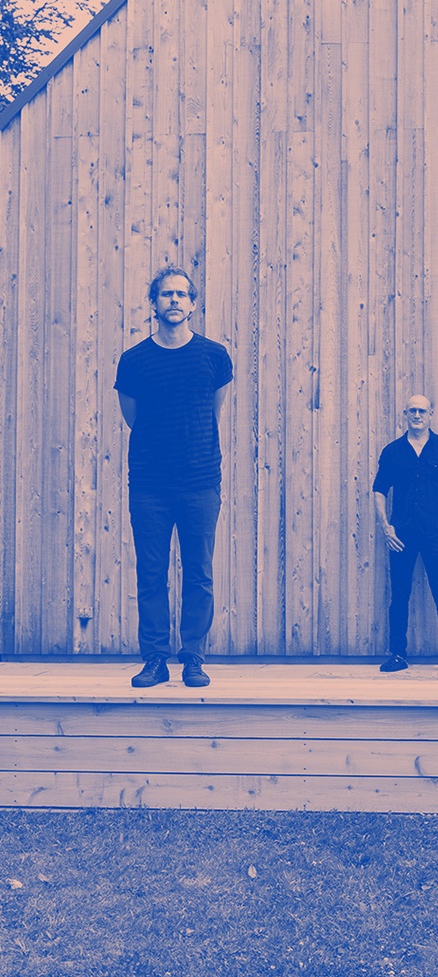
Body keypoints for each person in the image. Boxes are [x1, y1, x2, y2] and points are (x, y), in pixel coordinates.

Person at [114, 266, 233, 689]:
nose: (175, 301)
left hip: (200, 481)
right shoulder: (134, 361)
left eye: (182, 295)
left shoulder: (214, 356)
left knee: (199, 571)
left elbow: (211, 411)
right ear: (154, 303)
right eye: (166, 295)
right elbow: (133, 418)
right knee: (152, 572)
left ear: (193, 304)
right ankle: (154, 660)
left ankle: (194, 658)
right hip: (149, 485)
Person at [374, 395, 438, 673]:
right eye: (412, 410)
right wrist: (385, 525)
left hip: (437, 535)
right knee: (399, 595)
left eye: (422, 410)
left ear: (431, 414)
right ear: (405, 414)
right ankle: (397, 655)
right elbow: (379, 489)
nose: (417, 415)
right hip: (401, 535)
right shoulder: (393, 451)